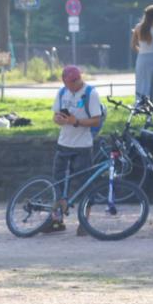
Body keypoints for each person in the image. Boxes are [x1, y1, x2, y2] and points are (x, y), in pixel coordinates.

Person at [47, 65, 103, 235]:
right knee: (58, 183)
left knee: (85, 185)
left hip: (82, 147)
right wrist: (59, 119)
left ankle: (84, 222)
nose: (72, 85)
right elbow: (55, 117)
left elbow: (96, 120)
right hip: (64, 143)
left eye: (75, 81)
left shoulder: (90, 94)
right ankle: (57, 221)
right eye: (69, 83)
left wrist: (75, 121)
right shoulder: (62, 92)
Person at [131, 4, 153, 105]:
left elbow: (133, 45)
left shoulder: (138, 27)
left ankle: (139, 104)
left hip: (142, 58)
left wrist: (142, 52)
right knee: (152, 84)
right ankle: (151, 105)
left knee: (141, 82)